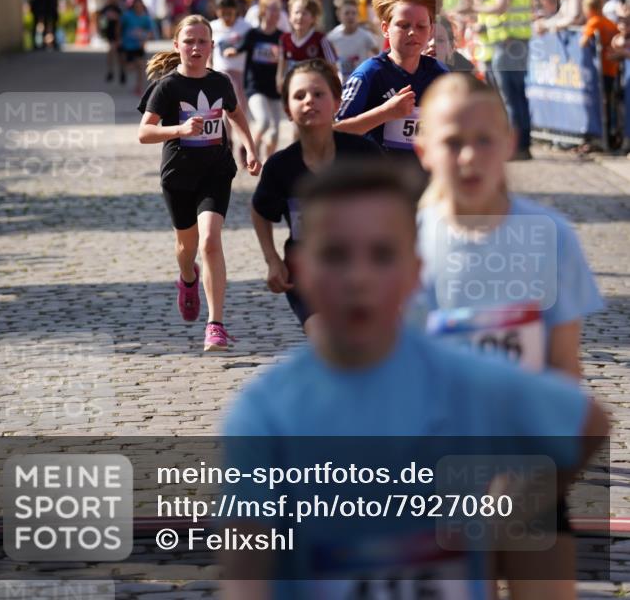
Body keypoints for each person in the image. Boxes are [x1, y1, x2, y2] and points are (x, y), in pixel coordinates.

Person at [222, 160, 609, 598]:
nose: (359, 278)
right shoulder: (265, 412)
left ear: (415, 270)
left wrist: (513, 510)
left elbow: (586, 422)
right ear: (302, 268)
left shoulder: (471, 383)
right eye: (335, 255)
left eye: (382, 254)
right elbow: (246, 569)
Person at [415, 74, 604, 600]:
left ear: (510, 144)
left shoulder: (550, 236)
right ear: (424, 148)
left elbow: (566, 371)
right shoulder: (406, 245)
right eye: (452, 142)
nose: (469, 156)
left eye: (483, 140)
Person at [138, 15, 261, 352]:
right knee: (186, 249)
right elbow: (144, 133)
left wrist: (250, 148)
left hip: (215, 173)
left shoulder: (221, 82)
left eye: (202, 41)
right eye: (189, 41)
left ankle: (215, 324)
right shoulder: (168, 87)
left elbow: (235, 114)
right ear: (176, 45)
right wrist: (178, 130)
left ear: (212, 46)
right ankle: (188, 279)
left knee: (210, 241)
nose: (195, 47)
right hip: (178, 176)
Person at [252, 60, 380, 335]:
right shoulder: (280, 166)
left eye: (319, 94)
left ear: (336, 101)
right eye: (299, 96)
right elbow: (261, 211)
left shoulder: (364, 155)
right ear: (287, 109)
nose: (309, 101)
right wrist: (272, 259)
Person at [334, 0, 447, 184]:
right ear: (385, 29)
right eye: (403, 25)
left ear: (431, 30)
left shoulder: (440, 75)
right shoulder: (369, 74)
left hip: (427, 188)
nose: (413, 32)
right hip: (378, 188)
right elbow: (332, 133)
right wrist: (385, 113)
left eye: (421, 26)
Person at [474, 0, 533, 160]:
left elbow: (500, 6)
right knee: (517, 96)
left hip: (508, 43)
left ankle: (516, 147)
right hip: (517, 42)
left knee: (509, 99)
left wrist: (476, 7)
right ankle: (523, 146)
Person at [226, 0, 284, 161]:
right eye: (271, 9)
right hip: (255, 86)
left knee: (274, 134)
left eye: (278, 10)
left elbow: (287, 59)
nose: (275, 13)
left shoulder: (282, 37)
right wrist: (232, 51)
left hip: (275, 88)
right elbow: (239, 47)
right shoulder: (253, 34)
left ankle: (268, 165)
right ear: (263, 11)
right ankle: (250, 148)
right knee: (264, 121)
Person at [580, 0, 620, 149]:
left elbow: (582, 42)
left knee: (603, 105)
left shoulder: (594, 22)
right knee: (610, 104)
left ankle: (604, 139)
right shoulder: (609, 22)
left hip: (601, 71)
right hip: (612, 68)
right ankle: (610, 138)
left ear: (589, 8)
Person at [276, 0, 337, 93]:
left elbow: (333, 67)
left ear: (313, 18)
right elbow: (282, 64)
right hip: (294, 89)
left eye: (304, 13)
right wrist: (279, 81)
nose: (300, 17)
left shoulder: (321, 39)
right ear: (290, 17)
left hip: (316, 90)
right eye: (296, 12)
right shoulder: (284, 39)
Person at [211, 0, 251, 116]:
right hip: (220, 72)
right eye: (223, 13)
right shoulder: (212, 26)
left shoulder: (246, 26)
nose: (227, 17)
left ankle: (241, 133)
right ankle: (227, 136)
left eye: (230, 13)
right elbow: (208, 49)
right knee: (222, 109)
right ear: (217, 12)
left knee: (239, 108)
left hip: (240, 72)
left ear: (236, 10)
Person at [326, 0, 378, 83]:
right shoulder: (332, 37)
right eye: (346, 13)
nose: (350, 16)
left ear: (358, 15)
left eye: (353, 13)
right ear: (339, 15)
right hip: (341, 83)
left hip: (362, 81)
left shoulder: (366, 36)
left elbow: (378, 55)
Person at [120, 0, 154, 95]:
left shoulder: (146, 18)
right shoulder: (127, 16)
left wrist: (145, 40)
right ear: (133, 7)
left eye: (140, 6)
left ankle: (139, 87)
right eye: (136, 6)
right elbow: (120, 26)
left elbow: (150, 32)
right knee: (130, 67)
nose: (138, 8)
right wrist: (119, 38)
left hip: (139, 46)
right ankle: (124, 69)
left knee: (140, 66)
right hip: (128, 45)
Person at [99, 0, 124, 83]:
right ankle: (110, 71)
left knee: (120, 54)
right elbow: (101, 20)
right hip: (110, 33)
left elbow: (124, 20)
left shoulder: (120, 8)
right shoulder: (106, 8)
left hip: (120, 33)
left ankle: (122, 71)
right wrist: (102, 29)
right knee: (111, 50)